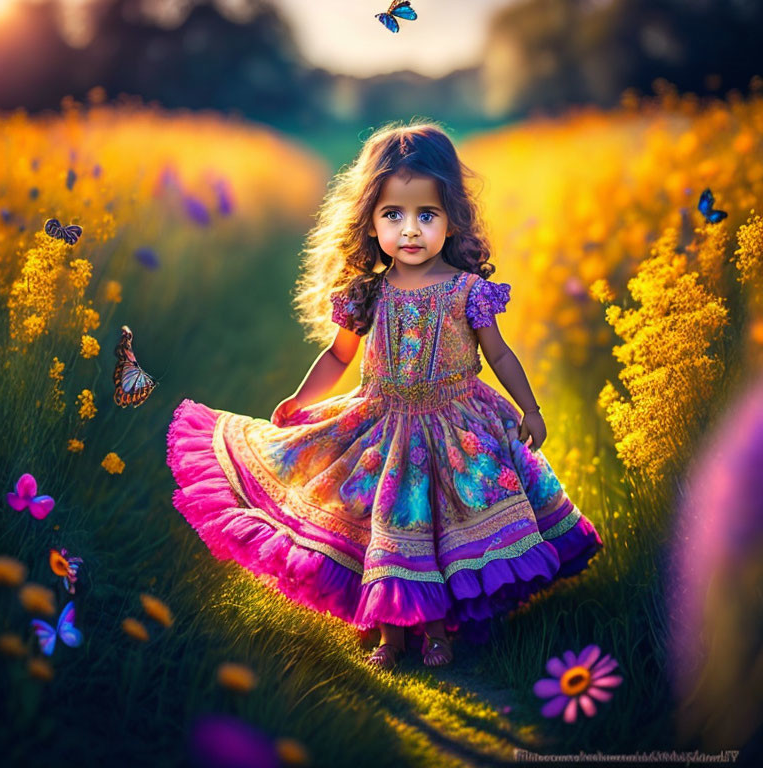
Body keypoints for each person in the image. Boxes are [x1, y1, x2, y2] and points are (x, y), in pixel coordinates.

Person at [166, 120, 604, 672]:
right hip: (382, 424)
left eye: (427, 215)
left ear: (452, 218)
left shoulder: (469, 292)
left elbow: (499, 355)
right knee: (394, 527)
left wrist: (530, 408)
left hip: (456, 427)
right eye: (393, 215)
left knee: (443, 527)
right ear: (371, 222)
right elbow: (338, 356)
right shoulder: (367, 293)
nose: (411, 230)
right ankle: (392, 636)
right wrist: (301, 401)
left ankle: (440, 631)